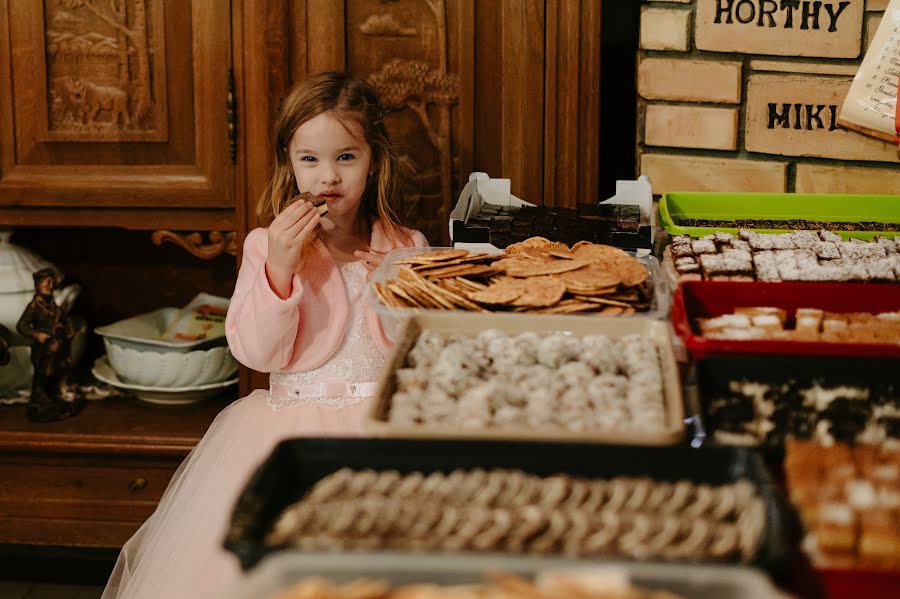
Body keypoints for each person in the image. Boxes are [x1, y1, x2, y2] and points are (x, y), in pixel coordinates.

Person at [102, 71, 428, 599]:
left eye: (347, 157)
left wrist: (393, 283)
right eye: (310, 160)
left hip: (391, 429)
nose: (328, 177)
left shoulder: (407, 244)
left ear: (375, 159)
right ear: (289, 162)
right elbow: (254, 352)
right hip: (288, 433)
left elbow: (420, 351)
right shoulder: (266, 245)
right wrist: (281, 270)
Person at [16, 267, 81, 422]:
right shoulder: (34, 306)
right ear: (38, 285)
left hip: (59, 347)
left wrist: (69, 330)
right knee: (43, 373)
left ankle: (55, 395)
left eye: (52, 282)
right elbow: (22, 326)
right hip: (44, 348)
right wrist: (36, 334)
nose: (50, 285)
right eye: (47, 282)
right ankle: (39, 398)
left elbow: (65, 319)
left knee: (58, 371)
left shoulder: (52, 304)